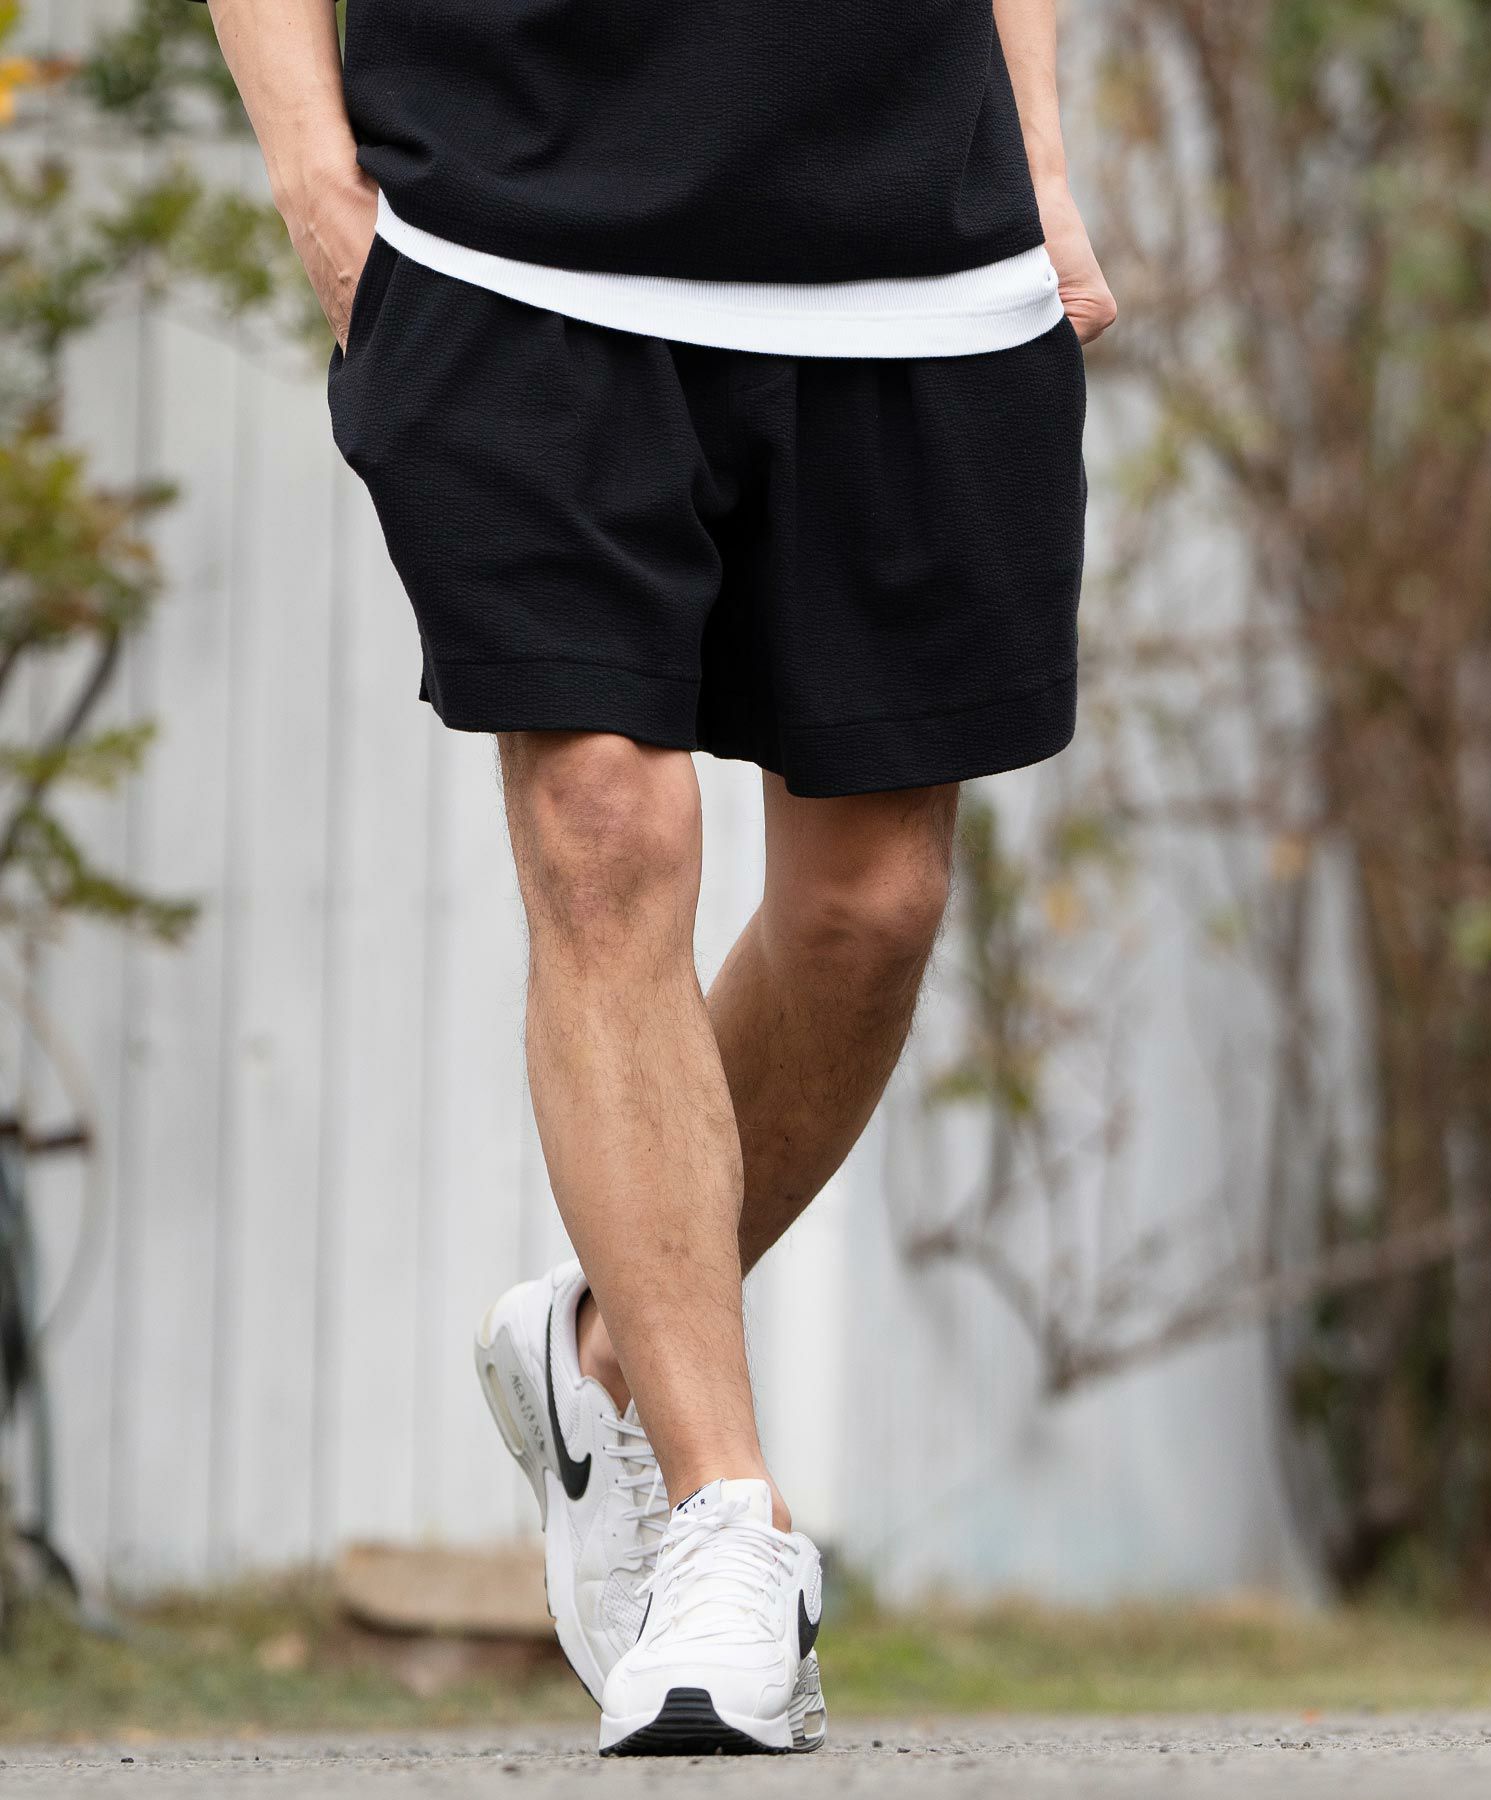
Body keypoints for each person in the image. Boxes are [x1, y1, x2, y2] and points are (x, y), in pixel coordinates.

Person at [194, 0, 1115, 1757]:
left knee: (872, 904)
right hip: (508, 232)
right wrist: (317, 179)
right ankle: (724, 1519)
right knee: (604, 830)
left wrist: (1043, 166)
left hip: (914, 243)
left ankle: (604, 1348)